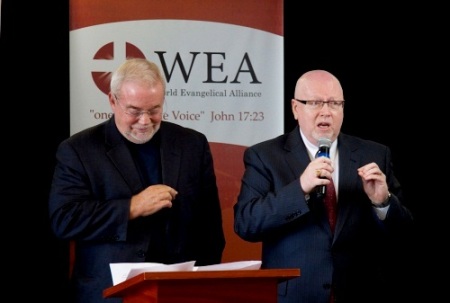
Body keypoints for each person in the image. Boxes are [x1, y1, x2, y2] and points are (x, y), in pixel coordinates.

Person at [48, 58, 225, 303]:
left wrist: (202, 286)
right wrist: (132, 207)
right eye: (134, 111)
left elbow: (210, 228)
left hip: (180, 292)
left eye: (154, 110)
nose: (145, 121)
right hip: (109, 294)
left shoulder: (192, 144)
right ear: (112, 101)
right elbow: (65, 220)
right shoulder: (79, 149)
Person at [233, 70, 415, 303]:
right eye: (315, 103)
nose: (326, 111)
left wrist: (383, 202)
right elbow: (246, 224)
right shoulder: (265, 156)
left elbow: (404, 234)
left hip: (360, 292)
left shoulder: (374, 154)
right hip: (295, 294)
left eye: (334, 103)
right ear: (295, 108)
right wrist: (300, 188)